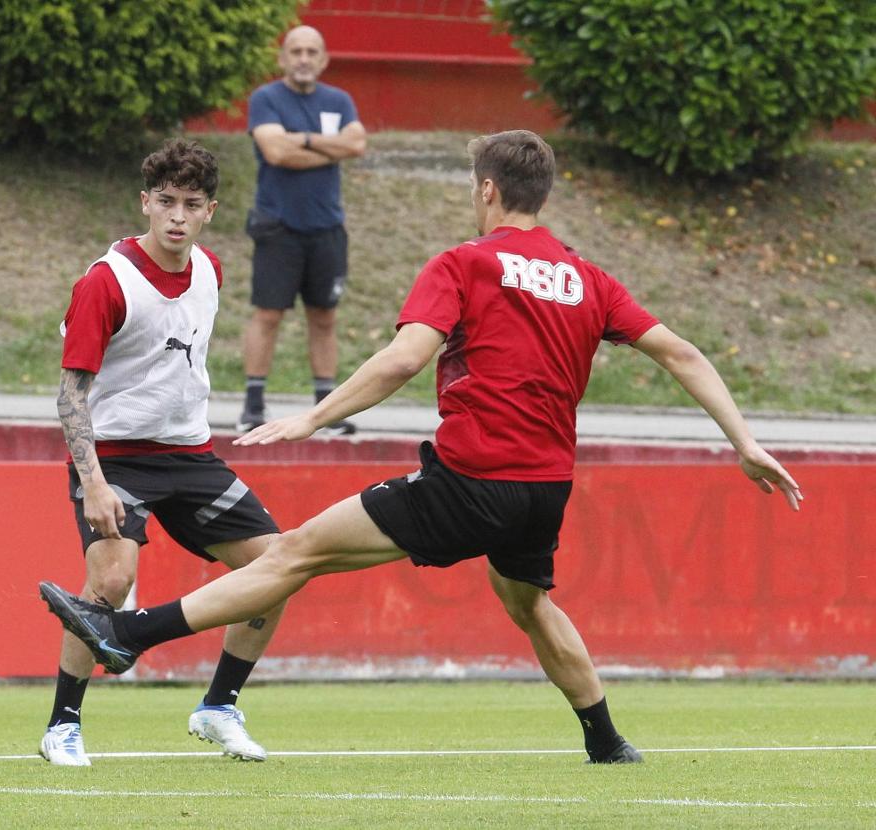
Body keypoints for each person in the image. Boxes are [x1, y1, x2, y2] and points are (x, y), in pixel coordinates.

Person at [41, 130, 804, 764]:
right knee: (529, 603)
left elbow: (405, 358)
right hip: (545, 491)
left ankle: (133, 632)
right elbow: (683, 354)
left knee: (295, 552)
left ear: (486, 191)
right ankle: (607, 742)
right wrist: (745, 442)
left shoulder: (464, 263)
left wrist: (314, 418)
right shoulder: (587, 278)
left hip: (469, 479)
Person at [39, 139, 286, 767]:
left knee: (277, 568)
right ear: (145, 203)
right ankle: (62, 724)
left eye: (192, 204)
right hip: (116, 457)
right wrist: (92, 483)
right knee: (111, 579)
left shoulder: (211, 269)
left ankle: (219, 706)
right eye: (166, 201)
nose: (177, 215)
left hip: (190, 455)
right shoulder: (105, 282)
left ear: (210, 211)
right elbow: (71, 394)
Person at [238, 25, 367, 436]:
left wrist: (302, 142)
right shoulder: (266, 98)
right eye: (296, 51)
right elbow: (275, 151)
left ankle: (325, 408)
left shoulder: (339, 100)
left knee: (325, 317)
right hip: (278, 226)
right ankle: (253, 405)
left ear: (324, 59)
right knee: (269, 314)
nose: (304, 58)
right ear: (282, 58)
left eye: (312, 51)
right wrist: (329, 147)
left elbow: (357, 145)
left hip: (327, 226)